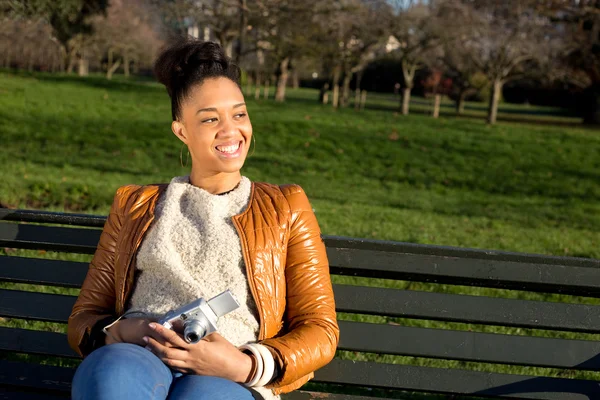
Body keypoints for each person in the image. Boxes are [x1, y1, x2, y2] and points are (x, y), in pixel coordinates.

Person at [67, 37, 339, 400]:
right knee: (110, 379)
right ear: (182, 131)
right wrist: (123, 330)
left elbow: (320, 329)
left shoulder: (285, 207)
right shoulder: (134, 205)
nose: (230, 130)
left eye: (239, 114)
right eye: (210, 119)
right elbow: (85, 316)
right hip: (139, 356)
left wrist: (245, 365)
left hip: (227, 372)